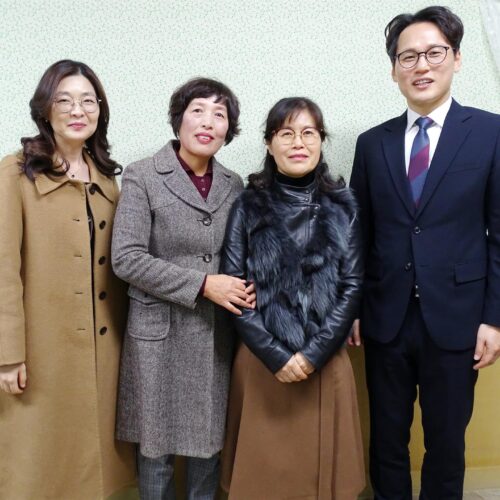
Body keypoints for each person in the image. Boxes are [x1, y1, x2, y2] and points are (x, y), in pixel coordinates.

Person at [349, 6, 500, 499]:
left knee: (446, 443)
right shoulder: (372, 144)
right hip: (385, 317)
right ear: (394, 69)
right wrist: (354, 309)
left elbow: (499, 234)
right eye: (408, 56)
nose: (421, 65)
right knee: (386, 441)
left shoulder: (491, 132)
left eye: (434, 53)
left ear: (456, 59)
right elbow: (359, 235)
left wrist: (494, 319)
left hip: (458, 317)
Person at [112, 77, 253, 499]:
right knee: (155, 450)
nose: (208, 122)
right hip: (158, 335)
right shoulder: (142, 175)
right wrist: (203, 284)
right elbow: (127, 258)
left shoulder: (234, 183)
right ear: (179, 119)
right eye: (198, 110)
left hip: (214, 333)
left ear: (228, 129)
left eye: (219, 114)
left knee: (209, 446)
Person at [0, 60, 135, 499]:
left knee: (98, 470)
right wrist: (7, 354)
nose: (78, 110)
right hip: (40, 352)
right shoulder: (15, 173)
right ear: (45, 109)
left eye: (88, 101)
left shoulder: (108, 179)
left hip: (105, 351)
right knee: (39, 466)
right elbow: (3, 269)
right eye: (64, 100)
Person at [220, 97, 365, 500]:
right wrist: (276, 355)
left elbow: (352, 285)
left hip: (325, 358)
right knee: (261, 481)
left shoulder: (344, 206)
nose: (298, 143)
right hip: (261, 361)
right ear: (269, 144)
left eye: (308, 133)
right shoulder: (246, 206)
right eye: (286, 133)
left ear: (321, 141)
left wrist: (312, 355)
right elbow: (233, 287)